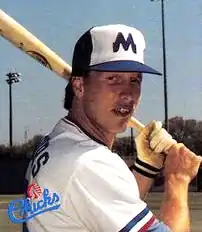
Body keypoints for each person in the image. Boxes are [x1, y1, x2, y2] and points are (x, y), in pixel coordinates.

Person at [24, 24, 202, 232]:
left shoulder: (60, 138)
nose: (128, 94)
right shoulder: (88, 164)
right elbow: (93, 180)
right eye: (113, 78)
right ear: (79, 86)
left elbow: (109, 206)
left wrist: (147, 167)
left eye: (135, 80)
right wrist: (177, 180)